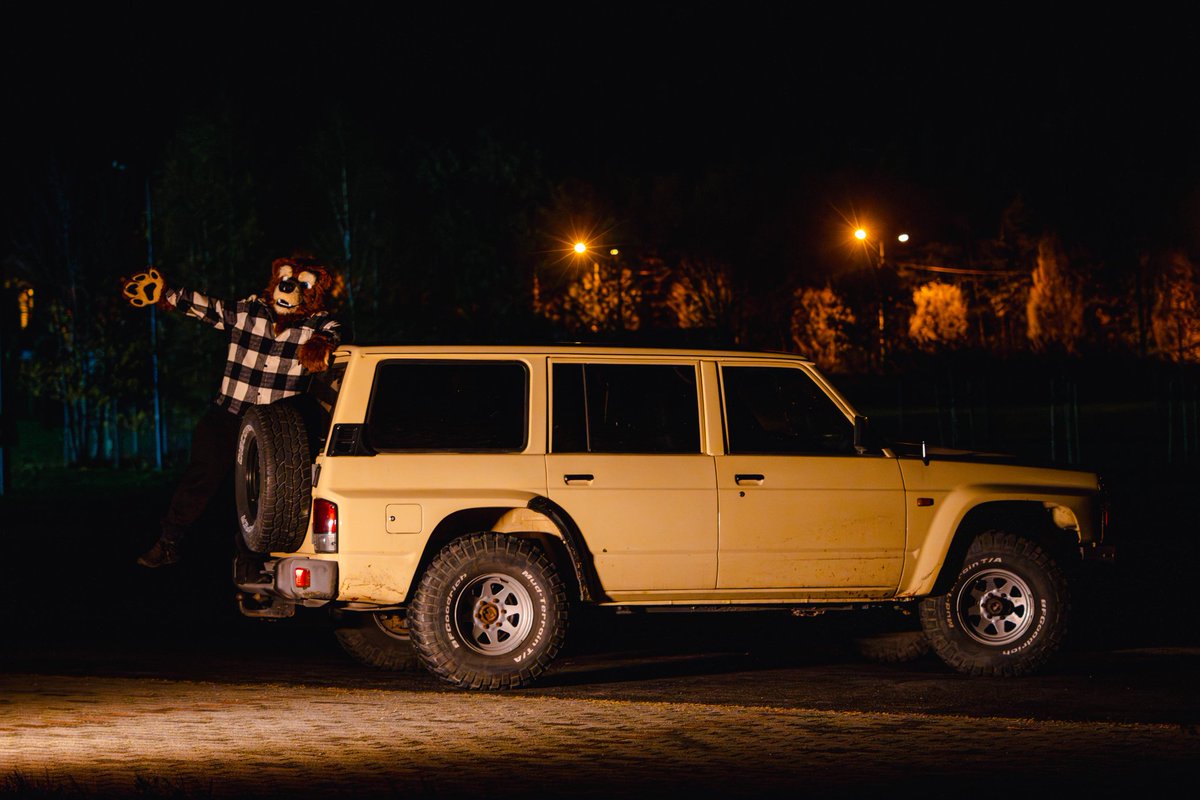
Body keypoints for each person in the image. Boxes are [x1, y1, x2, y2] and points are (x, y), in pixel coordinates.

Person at [121, 255, 340, 567]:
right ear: (277, 281)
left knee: (266, 490)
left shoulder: (314, 323)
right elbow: (210, 308)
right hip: (229, 414)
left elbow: (335, 328)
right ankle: (169, 541)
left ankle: (255, 558)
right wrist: (167, 292)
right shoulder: (250, 311)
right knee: (201, 475)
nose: (290, 289)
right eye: (286, 281)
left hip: (272, 426)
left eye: (302, 285)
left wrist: (324, 341)